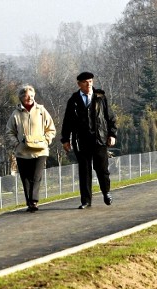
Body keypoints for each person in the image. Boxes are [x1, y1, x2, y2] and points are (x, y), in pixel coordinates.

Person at [61, 72, 117, 209]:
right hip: (81, 141)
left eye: (90, 81)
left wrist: (112, 134)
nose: (89, 84)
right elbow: (67, 121)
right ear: (79, 84)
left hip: (99, 138)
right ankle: (86, 200)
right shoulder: (73, 100)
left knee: (102, 168)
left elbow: (110, 117)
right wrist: (65, 139)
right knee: (84, 171)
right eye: (86, 82)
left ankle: (106, 192)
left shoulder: (100, 97)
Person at [6, 84, 56, 212]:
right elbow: (9, 132)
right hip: (22, 152)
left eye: (32, 96)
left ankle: (34, 200)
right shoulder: (16, 114)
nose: (30, 98)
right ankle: (30, 202)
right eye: (27, 96)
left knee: (36, 176)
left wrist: (46, 140)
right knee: (26, 178)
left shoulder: (41, 111)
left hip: (40, 150)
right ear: (21, 97)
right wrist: (16, 143)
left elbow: (51, 129)